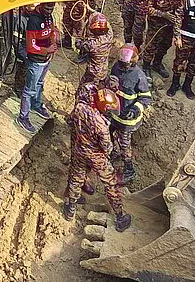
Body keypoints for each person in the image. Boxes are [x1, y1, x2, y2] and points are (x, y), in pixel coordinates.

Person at [63, 84, 132, 233]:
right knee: (110, 183)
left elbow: (70, 122)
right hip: (96, 157)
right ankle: (120, 216)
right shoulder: (101, 125)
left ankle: (71, 207)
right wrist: (110, 153)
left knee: (76, 177)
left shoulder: (80, 107)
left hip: (79, 150)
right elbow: (107, 146)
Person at [106, 44, 151, 183]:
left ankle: (129, 169)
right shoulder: (116, 67)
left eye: (125, 63)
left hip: (127, 119)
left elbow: (146, 97)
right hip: (114, 113)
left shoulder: (138, 76)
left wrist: (135, 110)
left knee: (125, 144)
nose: (122, 65)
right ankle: (113, 152)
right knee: (108, 133)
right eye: (121, 62)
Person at [16, 3, 57, 134]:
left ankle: (37, 105)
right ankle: (23, 117)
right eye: (47, 8)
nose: (49, 11)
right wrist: (46, 50)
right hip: (36, 61)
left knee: (40, 83)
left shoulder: (49, 17)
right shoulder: (34, 20)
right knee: (29, 90)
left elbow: (51, 32)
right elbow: (31, 46)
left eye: (51, 8)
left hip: (46, 60)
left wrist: (53, 43)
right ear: (41, 6)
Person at [138, 0, 183, 80]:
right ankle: (146, 67)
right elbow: (145, 9)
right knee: (151, 46)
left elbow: (180, 11)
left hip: (169, 26)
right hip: (155, 26)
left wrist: (177, 32)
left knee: (165, 45)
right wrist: (163, 14)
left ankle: (157, 63)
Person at [75, 12, 114, 88]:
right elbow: (107, 24)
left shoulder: (92, 45)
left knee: (84, 89)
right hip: (103, 70)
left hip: (93, 73)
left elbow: (78, 43)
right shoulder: (109, 36)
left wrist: (83, 27)